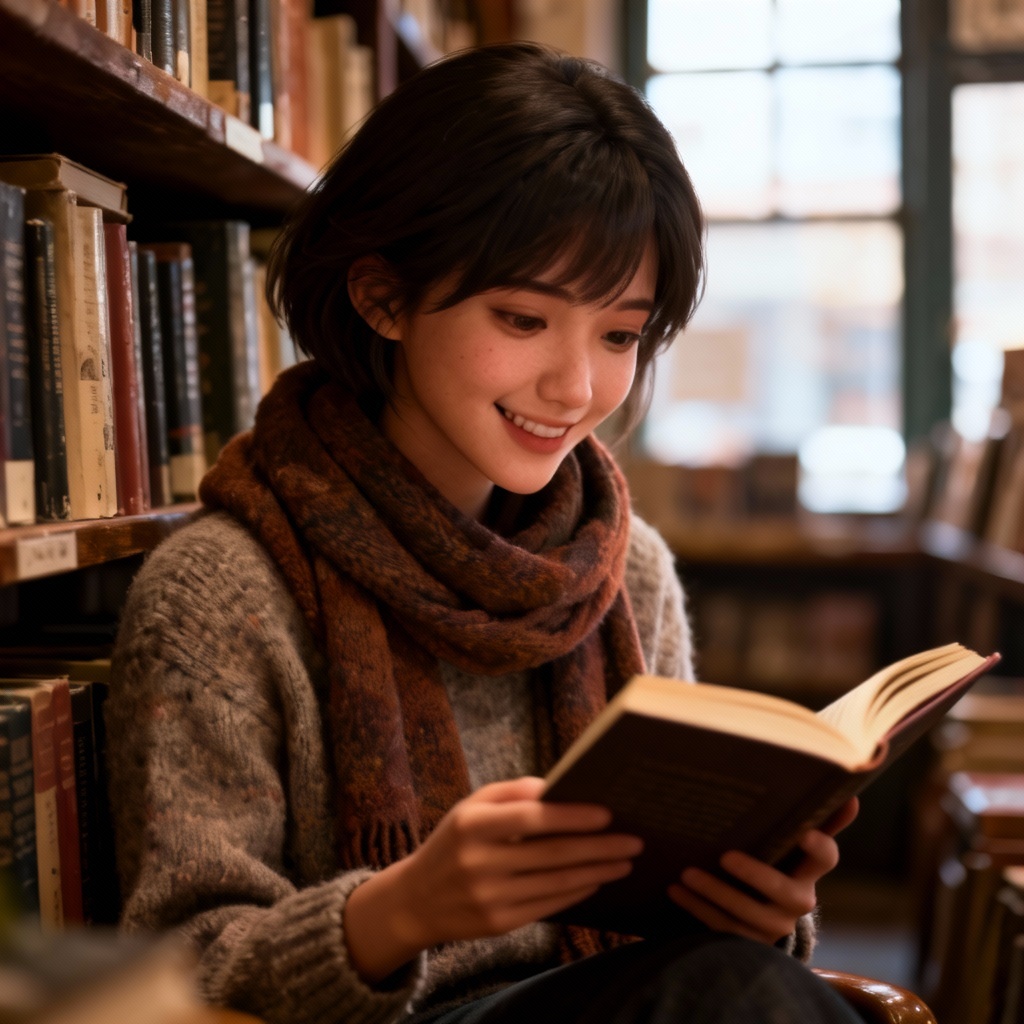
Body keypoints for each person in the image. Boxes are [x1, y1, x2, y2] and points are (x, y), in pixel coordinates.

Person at [106, 41, 864, 1024]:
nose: (577, 386)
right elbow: (175, 978)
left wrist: (757, 908)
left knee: (742, 984)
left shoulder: (624, 571)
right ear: (382, 297)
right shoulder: (219, 590)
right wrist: (399, 910)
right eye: (522, 318)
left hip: (639, 1001)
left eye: (620, 334)